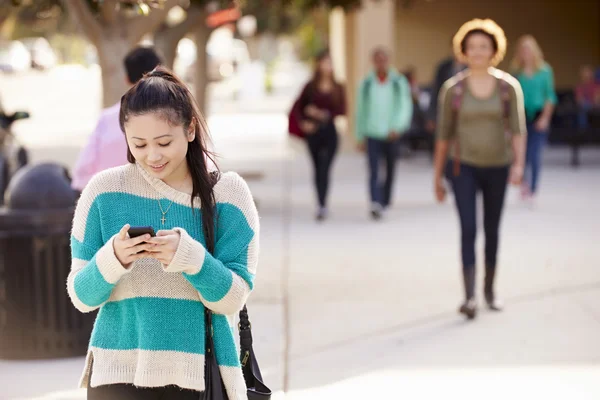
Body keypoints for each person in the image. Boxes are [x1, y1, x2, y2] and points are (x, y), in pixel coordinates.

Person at [66, 67, 259, 399]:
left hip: (197, 376)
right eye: (138, 144)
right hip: (117, 375)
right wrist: (113, 258)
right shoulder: (103, 192)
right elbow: (81, 297)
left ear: (190, 129)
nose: (152, 156)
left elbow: (232, 298)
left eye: (164, 142)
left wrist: (190, 258)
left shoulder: (228, 195)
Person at [433, 19, 526, 320]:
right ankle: (469, 296)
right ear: (463, 50)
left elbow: (517, 130)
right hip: (463, 166)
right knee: (469, 228)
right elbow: (443, 136)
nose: (477, 51)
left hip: (498, 166)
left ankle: (489, 290)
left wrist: (520, 165)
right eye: (472, 46)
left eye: (483, 46)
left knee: (492, 229)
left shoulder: (508, 87)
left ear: (494, 50)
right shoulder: (453, 89)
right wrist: (436, 176)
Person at [71, 46, 162, 193]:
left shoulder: (107, 119)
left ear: (126, 79)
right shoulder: (174, 116)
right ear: (161, 73)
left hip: (110, 200)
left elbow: (82, 171)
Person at [355, 47, 413, 220]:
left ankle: (385, 200)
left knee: (390, 168)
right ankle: (375, 201)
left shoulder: (398, 82)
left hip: (391, 134)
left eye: (384, 59)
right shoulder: (366, 83)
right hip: (372, 133)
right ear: (373, 62)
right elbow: (360, 110)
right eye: (377, 59)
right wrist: (359, 135)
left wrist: (398, 126)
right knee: (373, 170)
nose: (381, 63)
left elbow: (405, 106)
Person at [295, 49, 346, 221]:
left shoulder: (338, 87)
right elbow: (298, 109)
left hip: (330, 133)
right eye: (324, 62)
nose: (327, 66)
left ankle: (323, 203)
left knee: (325, 168)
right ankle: (320, 203)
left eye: (330, 62)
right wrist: (305, 121)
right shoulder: (309, 87)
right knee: (317, 169)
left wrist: (323, 114)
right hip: (314, 134)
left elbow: (342, 110)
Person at [511, 35, 557, 203]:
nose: (526, 53)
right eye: (523, 50)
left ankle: (533, 188)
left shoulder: (545, 71)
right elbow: (512, 97)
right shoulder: (516, 72)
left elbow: (550, 97)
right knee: (521, 153)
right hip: (522, 115)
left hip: (538, 114)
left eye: (528, 50)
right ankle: (524, 183)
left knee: (535, 153)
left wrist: (545, 118)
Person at [426, 39, 466, 134]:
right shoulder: (443, 67)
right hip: (447, 112)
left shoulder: (471, 67)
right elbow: (435, 91)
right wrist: (431, 117)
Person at [575, 64, 600, 129]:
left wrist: (595, 102)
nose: (587, 75)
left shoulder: (597, 85)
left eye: (588, 72)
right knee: (582, 108)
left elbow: (597, 99)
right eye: (584, 73)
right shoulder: (579, 86)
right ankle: (583, 130)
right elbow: (579, 100)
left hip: (596, 104)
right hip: (586, 105)